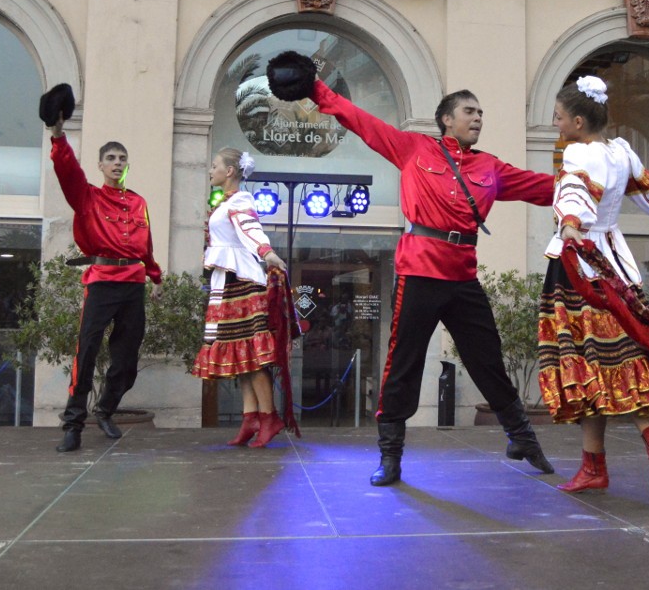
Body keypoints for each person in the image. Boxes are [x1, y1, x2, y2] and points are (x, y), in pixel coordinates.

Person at [283, 52, 555, 487]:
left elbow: (544, 188)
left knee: (488, 359)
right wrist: (314, 88)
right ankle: (390, 456)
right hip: (419, 270)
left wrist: (600, 183)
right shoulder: (414, 148)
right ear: (447, 119)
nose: (478, 118)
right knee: (403, 364)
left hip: (463, 276)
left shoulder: (490, 167)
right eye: (470, 111)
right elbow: (360, 121)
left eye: (481, 113)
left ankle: (521, 437)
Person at [538, 77, 649, 505]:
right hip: (618, 267)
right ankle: (608, 461)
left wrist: (571, 223)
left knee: (589, 365)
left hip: (580, 267)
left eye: (559, 117)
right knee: (619, 360)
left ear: (578, 121)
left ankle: (617, 458)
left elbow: (576, 188)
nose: (556, 124)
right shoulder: (622, 152)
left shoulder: (578, 152)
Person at [48, 116, 162, 453]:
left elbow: (145, 245)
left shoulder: (139, 203)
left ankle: (106, 410)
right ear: (100, 165)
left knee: (127, 360)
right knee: (86, 353)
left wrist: (155, 276)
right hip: (101, 284)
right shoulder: (88, 197)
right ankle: (73, 425)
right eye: (110, 158)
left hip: (133, 285)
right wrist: (58, 136)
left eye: (122, 158)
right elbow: (67, 171)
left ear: (127, 165)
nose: (117, 163)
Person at [192, 148, 292, 448]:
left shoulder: (240, 201)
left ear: (230, 171)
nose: (211, 170)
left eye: (215, 165)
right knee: (242, 355)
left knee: (253, 355)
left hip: (242, 281)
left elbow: (251, 228)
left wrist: (267, 252)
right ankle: (251, 417)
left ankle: (269, 417)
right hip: (227, 281)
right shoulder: (225, 202)